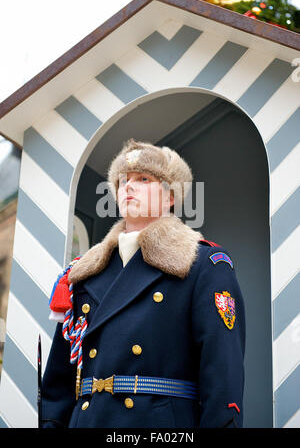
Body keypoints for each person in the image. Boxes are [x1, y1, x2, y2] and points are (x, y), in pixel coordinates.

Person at [41, 138, 245, 428]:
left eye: (144, 179)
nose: (128, 186)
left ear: (170, 196)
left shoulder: (203, 264)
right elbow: (58, 381)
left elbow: (222, 375)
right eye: (123, 180)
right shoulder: (83, 272)